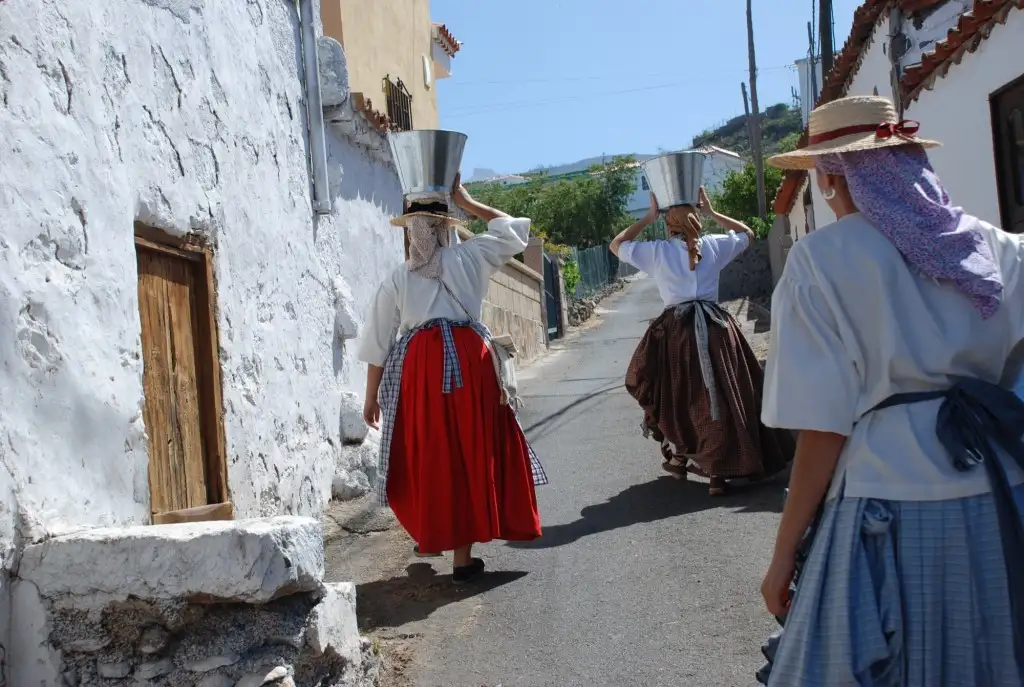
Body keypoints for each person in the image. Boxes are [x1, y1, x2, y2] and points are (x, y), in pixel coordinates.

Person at [758, 94, 1024, 685]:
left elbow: (824, 428)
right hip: (1003, 493)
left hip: (890, 498)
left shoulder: (820, 262)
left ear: (832, 177)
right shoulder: (1001, 248)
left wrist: (783, 556)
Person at [357, 176, 547, 583]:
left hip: (422, 369)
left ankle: (436, 531)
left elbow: (378, 340)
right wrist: (470, 201)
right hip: (471, 361)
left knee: (434, 451)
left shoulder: (398, 277)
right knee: (472, 449)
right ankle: (463, 558)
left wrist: (371, 397)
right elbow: (516, 231)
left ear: (412, 229)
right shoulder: (473, 256)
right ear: (449, 226)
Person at [610, 187, 795, 496]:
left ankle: (684, 456)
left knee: (678, 397)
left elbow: (617, 244)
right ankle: (715, 474)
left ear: (669, 225)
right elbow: (747, 233)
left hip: (676, 332)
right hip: (716, 329)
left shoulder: (657, 252)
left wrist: (647, 217)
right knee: (721, 396)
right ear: (697, 220)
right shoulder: (713, 246)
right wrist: (712, 212)